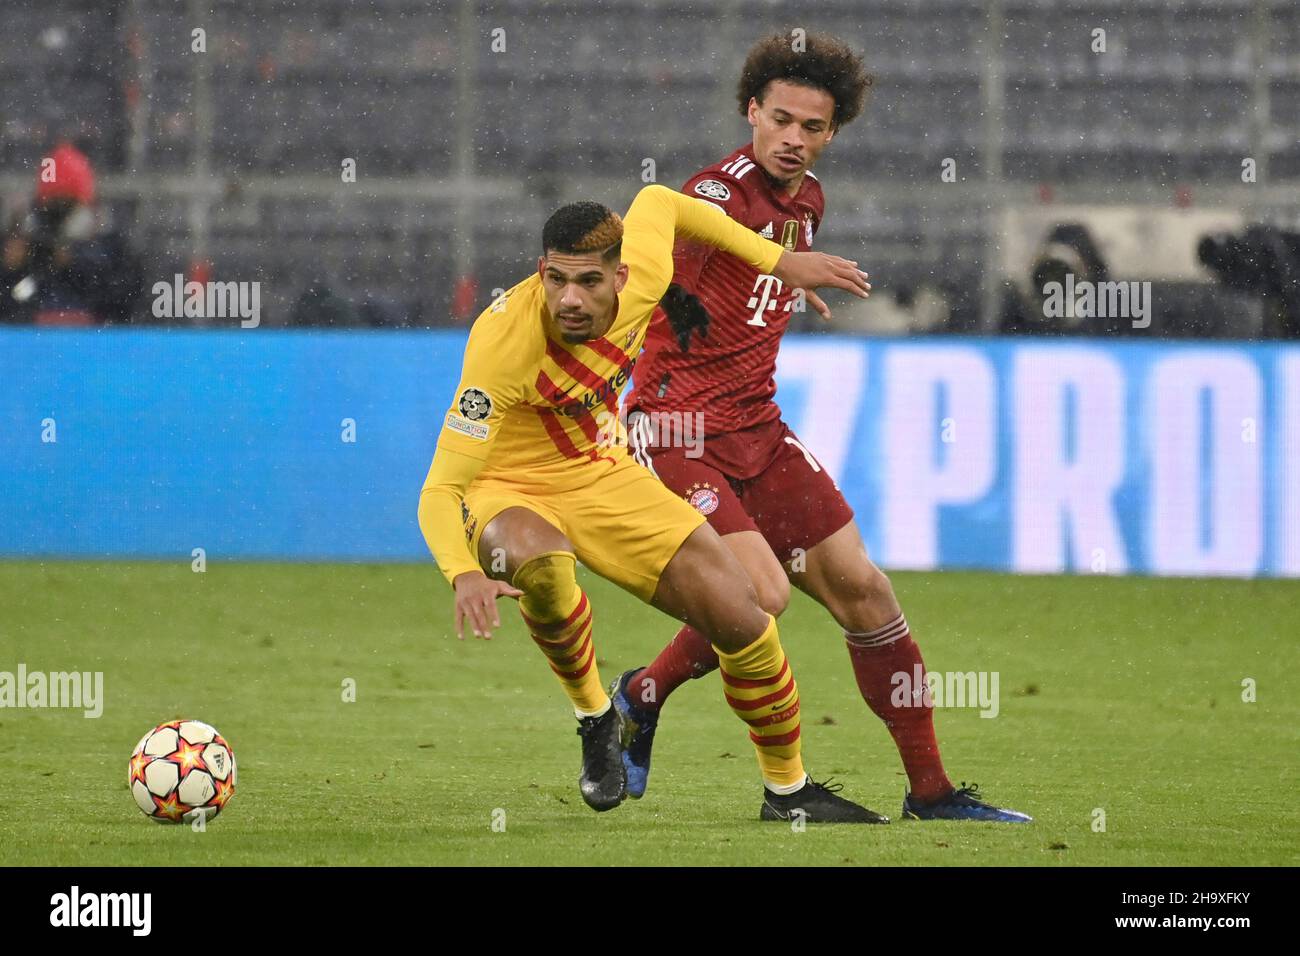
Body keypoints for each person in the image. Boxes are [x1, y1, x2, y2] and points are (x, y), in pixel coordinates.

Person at [615, 31, 1031, 823]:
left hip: (758, 428)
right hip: (677, 430)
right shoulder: (716, 191)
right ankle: (672, 713)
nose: (794, 139)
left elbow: (747, 274)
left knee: (868, 595)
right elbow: (652, 239)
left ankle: (931, 793)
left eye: (812, 127)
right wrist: (737, 280)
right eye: (781, 120)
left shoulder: (807, 202)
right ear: (752, 113)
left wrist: (769, 286)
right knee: (759, 596)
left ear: (831, 132)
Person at [417, 183, 884, 822]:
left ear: (623, 274)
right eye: (556, 280)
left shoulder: (649, 271)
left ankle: (788, 792)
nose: (569, 299)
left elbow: (666, 200)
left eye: (587, 281)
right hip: (510, 486)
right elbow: (441, 488)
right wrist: (462, 571)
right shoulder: (502, 342)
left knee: (743, 612)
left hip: (602, 472)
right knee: (545, 572)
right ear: (540, 271)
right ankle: (593, 716)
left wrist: (779, 262)